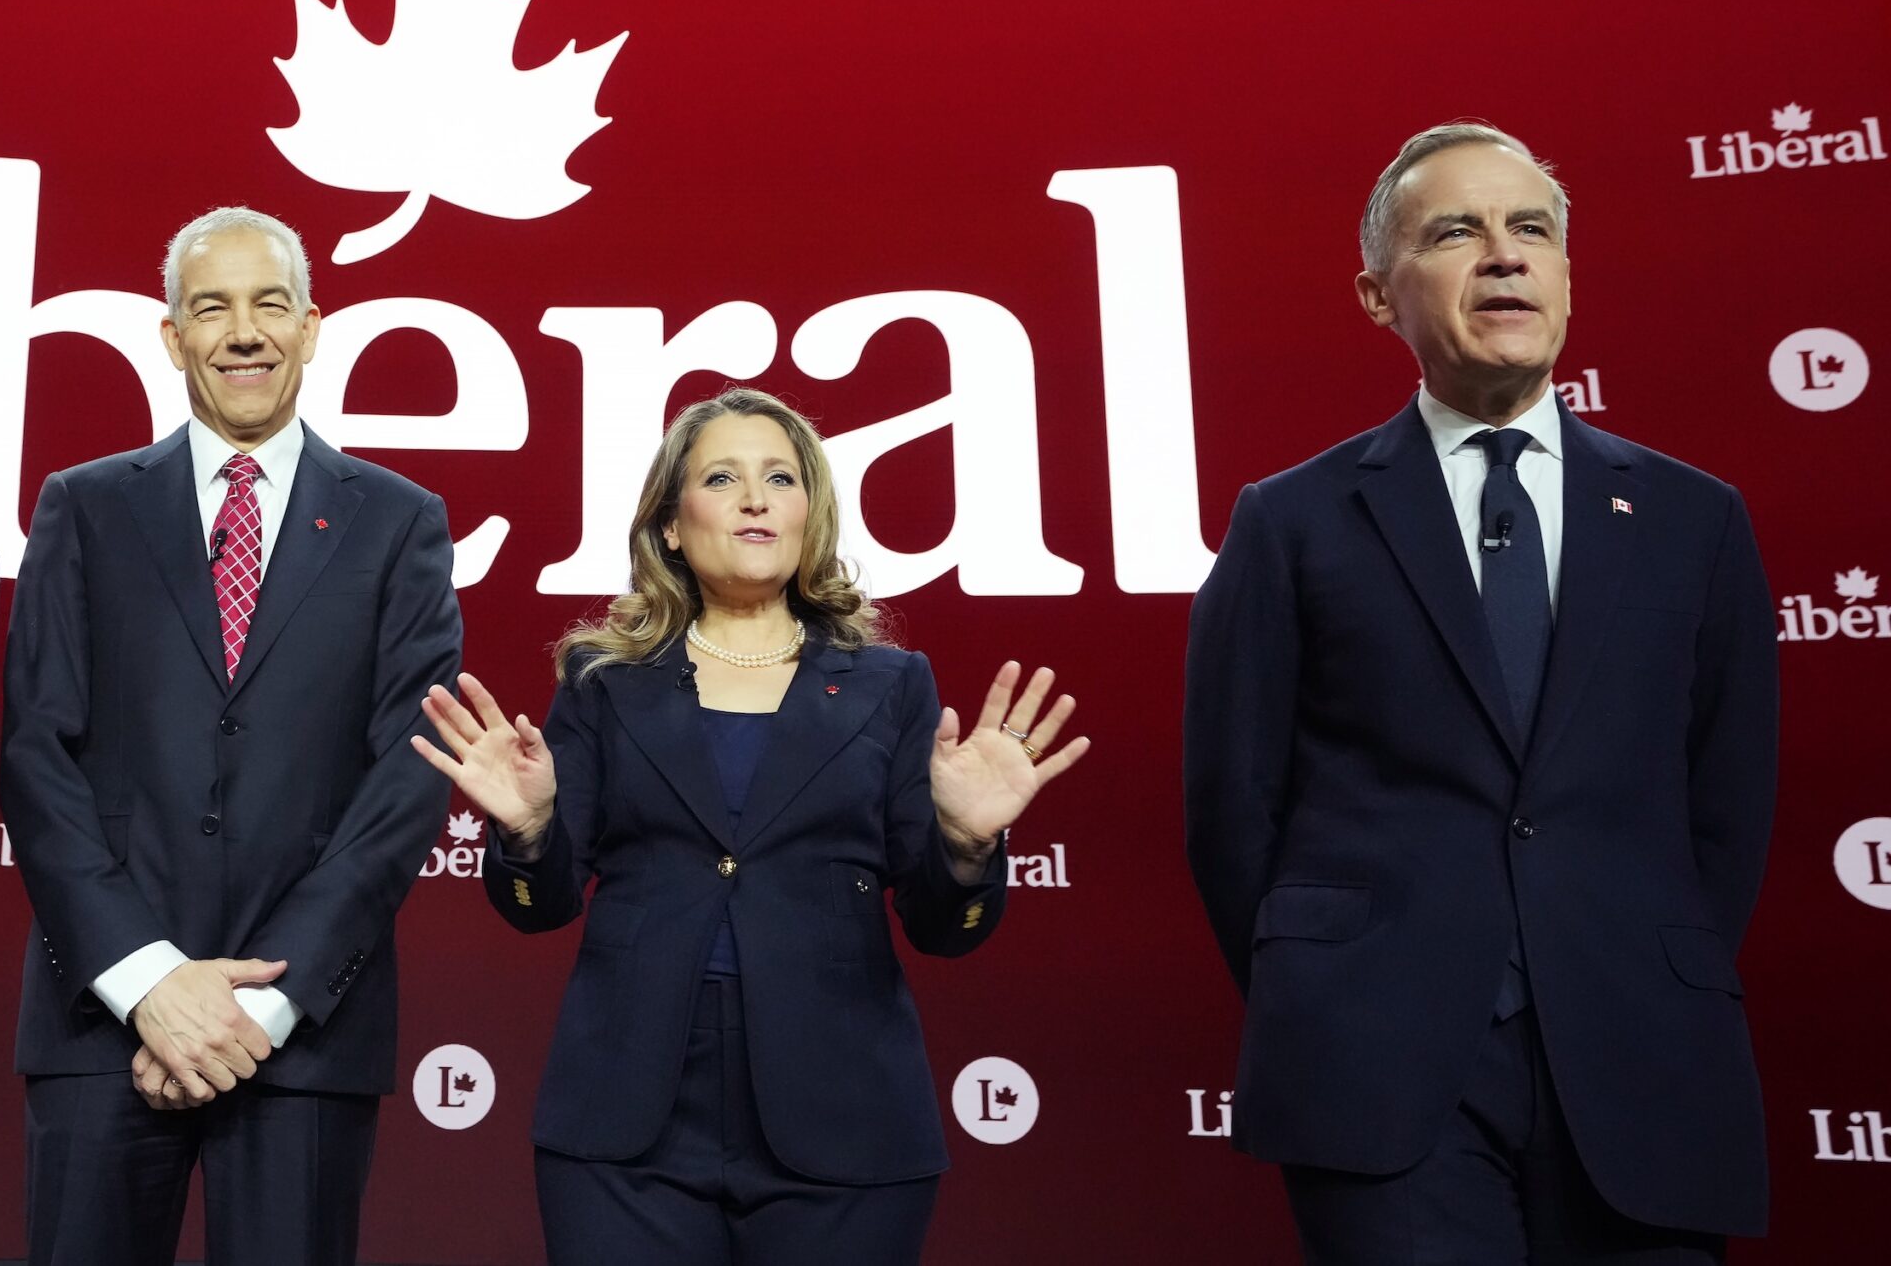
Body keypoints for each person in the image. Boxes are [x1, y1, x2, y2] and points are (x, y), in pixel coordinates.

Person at [1184, 122, 1779, 1262]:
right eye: (1456, 231)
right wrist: (1336, 986)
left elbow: (1726, 803)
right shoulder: (1290, 522)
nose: (1504, 255)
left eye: (1532, 230)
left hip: (1640, 1057)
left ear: (1564, 275)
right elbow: (1232, 808)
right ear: (1376, 294)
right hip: (1378, 1073)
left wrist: (1633, 964)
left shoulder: (1694, 519)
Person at [415, 386, 1088, 1266]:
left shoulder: (891, 684)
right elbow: (540, 907)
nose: (756, 497)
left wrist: (966, 845)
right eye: (723, 477)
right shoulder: (602, 682)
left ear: (811, 514)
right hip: (628, 1116)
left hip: (844, 1116)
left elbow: (940, 927)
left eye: (780, 477)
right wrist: (530, 830)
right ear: (669, 524)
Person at [0, 205, 463, 1266]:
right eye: (212, 307)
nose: (243, 332)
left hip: (303, 1034)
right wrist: (149, 981)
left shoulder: (400, 521)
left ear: (310, 327)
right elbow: (37, 756)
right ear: (172, 338)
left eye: (269, 306)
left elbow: (406, 779)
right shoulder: (84, 506)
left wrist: (262, 1010)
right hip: (101, 1021)